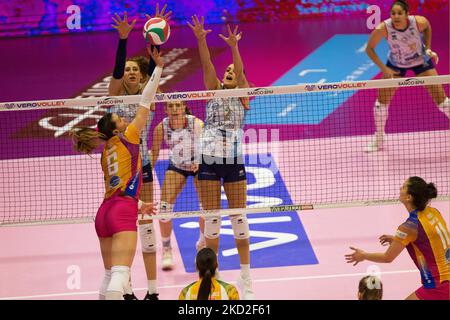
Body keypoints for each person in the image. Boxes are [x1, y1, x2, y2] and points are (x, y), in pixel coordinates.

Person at [70, 49, 164, 300]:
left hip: (104, 212)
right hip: (122, 211)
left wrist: (141, 203)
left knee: (109, 276)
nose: (123, 120)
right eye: (119, 120)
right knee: (120, 278)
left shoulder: (105, 152)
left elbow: (119, 185)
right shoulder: (130, 137)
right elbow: (145, 102)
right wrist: (159, 69)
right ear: (115, 128)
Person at [187, 15, 254, 299]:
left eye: (232, 70)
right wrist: (201, 39)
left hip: (233, 161)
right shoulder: (212, 90)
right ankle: (212, 274)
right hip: (209, 161)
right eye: (225, 69)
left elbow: (238, 69)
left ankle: (246, 277)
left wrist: (234, 48)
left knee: (239, 219)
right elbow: (206, 64)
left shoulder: (243, 94)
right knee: (213, 219)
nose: (228, 71)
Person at [108, 4, 171, 300]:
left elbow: (153, 73)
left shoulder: (149, 98)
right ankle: (128, 290)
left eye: (136, 70)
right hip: (119, 173)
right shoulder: (114, 96)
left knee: (146, 229)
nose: (130, 73)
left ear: (142, 78)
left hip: (141, 168)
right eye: (128, 70)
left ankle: (153, 291)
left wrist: (155, 48)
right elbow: (117, 72)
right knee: (124, 232)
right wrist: (123, 40)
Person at [364, 0, 450, 152]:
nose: (396, 16)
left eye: (399, 13)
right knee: (380, 104)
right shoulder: (383, 28)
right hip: (396, 65)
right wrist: (384, 68)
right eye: (393, 13)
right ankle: (379, 138)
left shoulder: (418, 22)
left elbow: (427, 27)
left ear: (406, 14)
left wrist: (428, 48)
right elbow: (369, 48)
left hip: (420, 62)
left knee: (444, 103)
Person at [345, 176, 450, 300]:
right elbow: (429, 239)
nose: (400, 188)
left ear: (409, 197)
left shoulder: (409, 226)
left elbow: (387, 257)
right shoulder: (433, 211)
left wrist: (363, 255)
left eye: (403, 187)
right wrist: (400, 241)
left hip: (439, 285)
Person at [151, 100, 206, 270]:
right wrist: (144, 177)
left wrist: (200, 161)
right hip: (177, 166)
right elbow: (154, 153)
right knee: (165, 208)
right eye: (171, 106)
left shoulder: (197, 124)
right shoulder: (161, 128)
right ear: (166, 109)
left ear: (183, 107)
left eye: (178, 105)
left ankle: (202, 245)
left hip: (199, 166)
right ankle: (167, 248)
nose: (175, 109)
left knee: (206, 208)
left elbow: (207, 148)